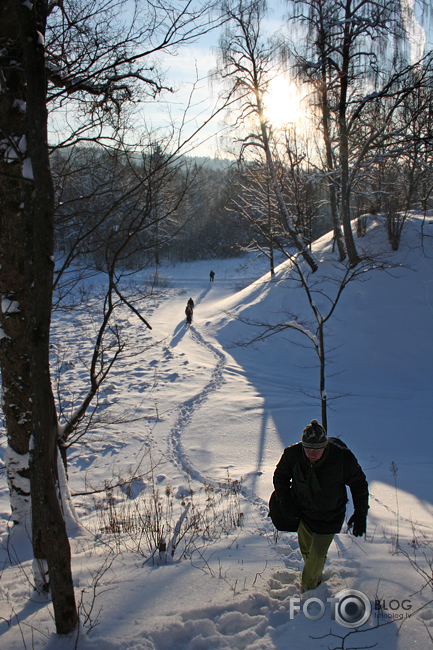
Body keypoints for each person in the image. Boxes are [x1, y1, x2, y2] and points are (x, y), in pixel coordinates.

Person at [272, 419, 368, 593]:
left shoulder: (342, 458)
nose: (312, 453)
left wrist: (361, 512)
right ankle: (317, 578)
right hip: (304, 513)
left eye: (316, 449)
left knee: (316, 556)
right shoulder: (292, 455)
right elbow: (280, 477)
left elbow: (359, 484)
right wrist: (286, 506)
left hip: (330, 516)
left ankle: (308, 592)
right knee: (308, 553)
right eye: (307, 448)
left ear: (325, 446)